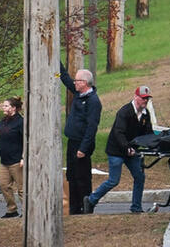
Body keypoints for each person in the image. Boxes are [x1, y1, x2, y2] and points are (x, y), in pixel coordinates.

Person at [85, 85, 154, 214]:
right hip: (116, 151)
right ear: (136, 97)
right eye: (143, 98)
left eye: (147, 99)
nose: (145, 101)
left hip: (131, 151)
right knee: (113, 180)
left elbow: (148, 134)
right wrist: (126, 147)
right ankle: (91, 200)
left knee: (139, 176)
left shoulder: (145, 115)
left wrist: (155, 144)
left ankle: (136, 207)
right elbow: (118, 132)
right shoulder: (124, 112)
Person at [60, 62, 102, 214]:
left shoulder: (93, 101)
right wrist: (56, 66)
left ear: (84, 83)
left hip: (82, 145)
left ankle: (85, 206)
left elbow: (92, 128)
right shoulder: (79, 94)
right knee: (71, 175)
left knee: (82, 177)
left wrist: (83, 149)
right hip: (72, 142)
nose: (74, 83)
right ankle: (73, 207)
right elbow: (64, 79)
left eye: (77, 81)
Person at [0, 96, 24, 219]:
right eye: (3, 105)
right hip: (4, 161)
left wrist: (23, 158)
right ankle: (12, 209)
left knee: (22, 188)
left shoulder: (20, 122)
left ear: (13, 108)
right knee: (3, 185)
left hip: (17, 160)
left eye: (6, 106)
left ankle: (27, 211)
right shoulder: (3, 122)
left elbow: (25, 140)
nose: (4, 107)